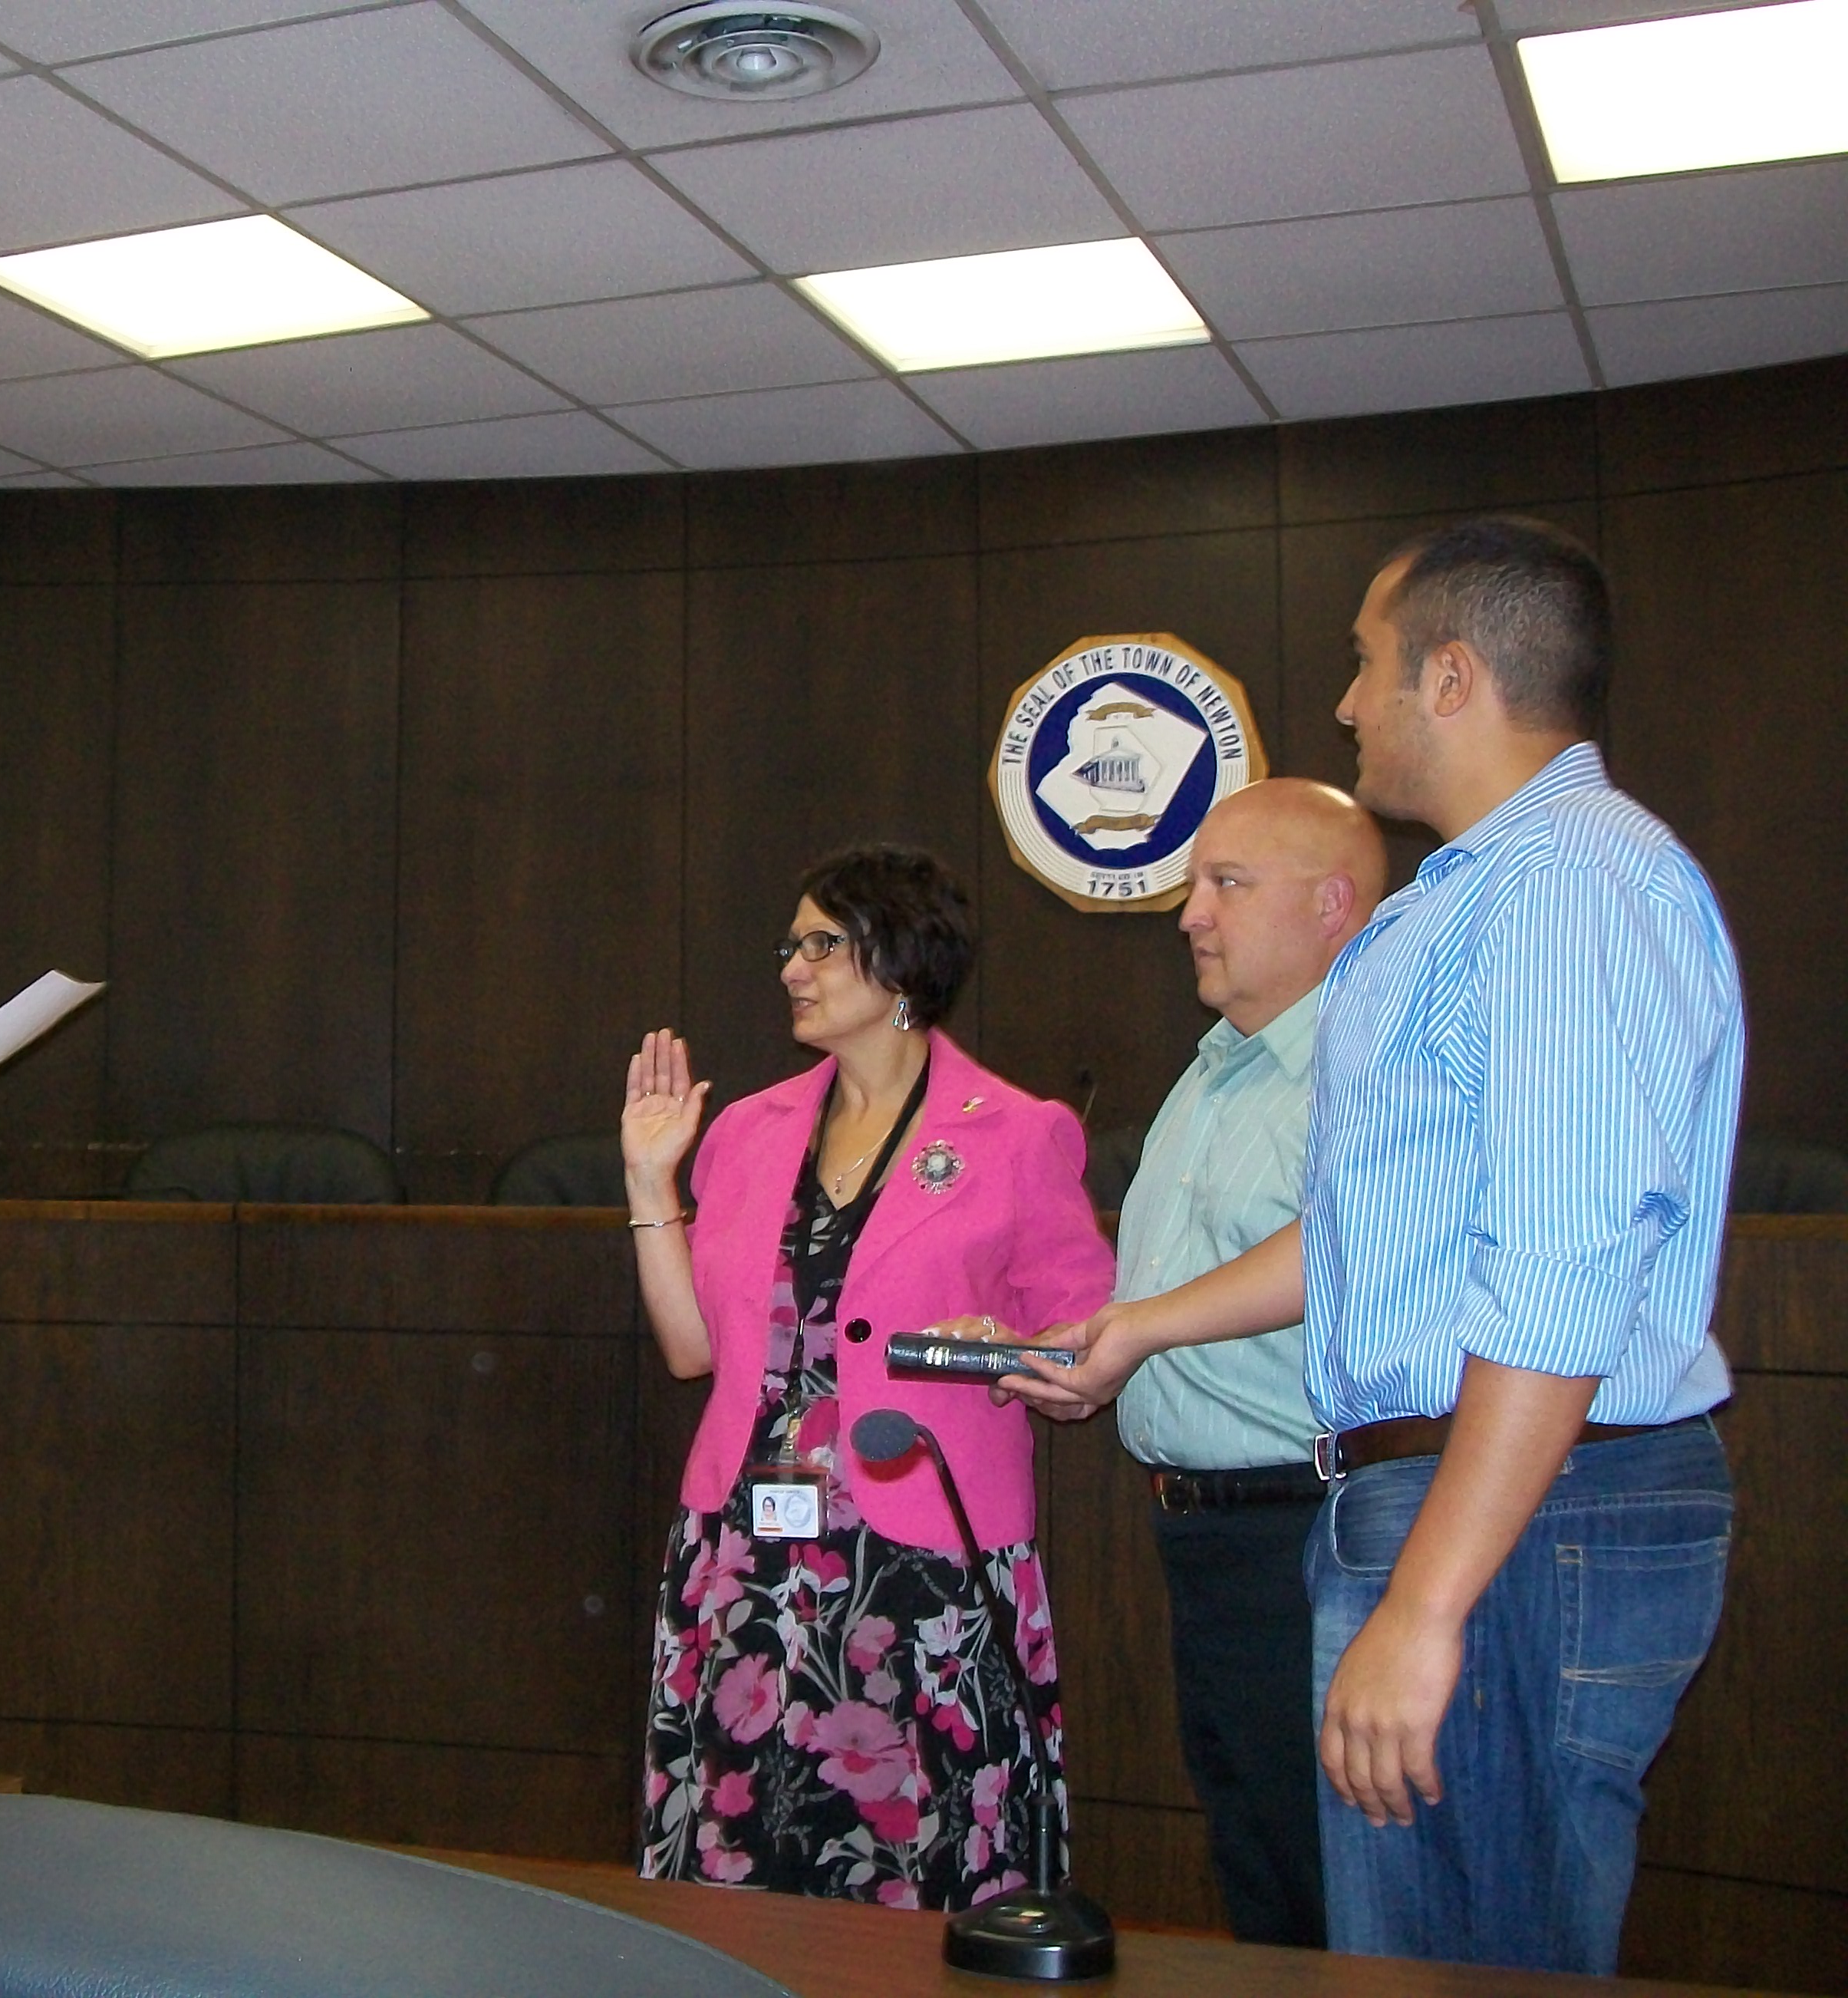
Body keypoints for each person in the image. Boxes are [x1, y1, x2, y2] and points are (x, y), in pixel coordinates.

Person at [1009, 519, 1741, 1973]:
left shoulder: (1565, 890)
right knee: (1405, 1951)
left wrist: (1427, 1604)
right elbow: (1370, 1243)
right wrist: (1145, 1323)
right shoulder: (1463, 904)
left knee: (1476, 1952)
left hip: (1525, 1510)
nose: (1346, 704)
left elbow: (1558, 1274)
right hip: (1465, 1500)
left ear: (1453, 677)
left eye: (1365, 665)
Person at [624, 844, 1114, 1910]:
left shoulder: (1021, 1135)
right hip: (750, 1555)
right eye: (791, 946)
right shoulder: (746, 1133)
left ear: (900, 960)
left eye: (821, 945)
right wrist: (648, 1178)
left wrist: (1002, 1351)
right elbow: (691, 1349)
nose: (793, 967)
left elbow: (1082, 1364)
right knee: (745, 1857)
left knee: (923, 1865)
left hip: (925, 1565)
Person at [1110, 777, 1385, 1949]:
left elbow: (1339, 1249)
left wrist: (1138, 1329)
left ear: (1333, 906)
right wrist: (1081, 1341)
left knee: (1334, 1888)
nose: (1191, 914)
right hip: (1209, 1538)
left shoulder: (1372, 1067)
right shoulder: (1220, 1064)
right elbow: (1176, 1287)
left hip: (1310, 1533)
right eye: (1189, 884)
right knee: (1261, 1871)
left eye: (1227, 884)